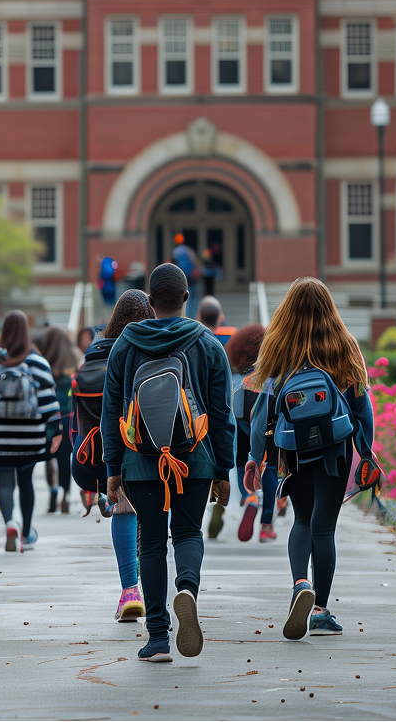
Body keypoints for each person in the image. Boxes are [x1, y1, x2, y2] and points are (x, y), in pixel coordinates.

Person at [101, 264, 233, 663]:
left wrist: (112, 469)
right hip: (194, 460)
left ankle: (158, 638)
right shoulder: (207, 343)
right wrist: (223, 471)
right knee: (189, 534)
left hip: (141, 463)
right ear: (186, 298)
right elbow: (223, 413)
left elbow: (111, 410)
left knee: (152, 544)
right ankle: (187, 589)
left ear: (150, 301)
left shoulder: (126, 342)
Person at [239, 277, 376, 640]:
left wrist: (255, 455)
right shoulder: (344, 346)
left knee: (301, 519)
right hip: (336, 447)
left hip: (291, 448)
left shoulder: (279, 346)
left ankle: (301, 583)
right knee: (324, 527)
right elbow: (362, 403)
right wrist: (367, 450)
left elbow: (262, 408)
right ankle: (320, 610)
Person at [74, 289, 155, 623]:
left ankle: (129, 592)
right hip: (146, 445)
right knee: (150, 519)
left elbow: (76, 416)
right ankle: (156, 592)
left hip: (106, 450)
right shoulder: (146, 348)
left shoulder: (94, 352)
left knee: (123, 509)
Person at [0, 311, 61, 552]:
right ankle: (27, 533)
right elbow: (48, 400)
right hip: (30, 434)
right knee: (26, 482)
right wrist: (55, 431)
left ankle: (9, 523)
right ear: (26, 332)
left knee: (4, 482)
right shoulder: (37, 362)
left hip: (0, 433)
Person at [224, 324, 279, 543]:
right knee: (272, 467)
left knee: (243, 463)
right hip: (269, 413)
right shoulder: (273, 377)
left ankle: (250, 498)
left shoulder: (237, 378)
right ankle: (267, 525)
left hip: (241, 412)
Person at [197, 297, 236, 539]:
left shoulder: (194, 338)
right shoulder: (231, 338)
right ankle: (218, 506)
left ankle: (201, 504)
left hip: (197, 413)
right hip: (222, 406)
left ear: (199, 317)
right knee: (220, 456)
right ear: (221, 318)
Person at [36, 325, 81, 515]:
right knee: (65, 458)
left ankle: (53, 492)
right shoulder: (72, 359)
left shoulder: (43, 359)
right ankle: (65, 493)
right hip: (68, 417)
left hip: (48, 417)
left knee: (49, 458)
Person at [171, 235, 204, 319]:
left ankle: (186, 316)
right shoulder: (187, 250)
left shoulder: (175, 252)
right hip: (191, 278)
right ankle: (193, 316)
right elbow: (195, 261)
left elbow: (174, 263)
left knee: (185, 298)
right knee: (193, 298)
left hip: (182, 277)